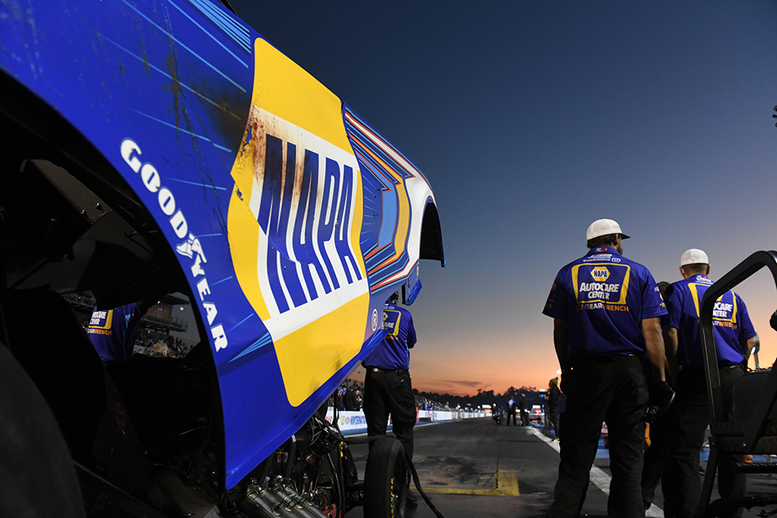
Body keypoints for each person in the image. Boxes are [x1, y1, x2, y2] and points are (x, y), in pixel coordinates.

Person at [542, 218, 668, 518]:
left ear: (590, 243)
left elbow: (560, 329)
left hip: (587, 372)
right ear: (615, 240)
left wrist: (567, 370)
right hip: (630, 371)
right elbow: (653, 331)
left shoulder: (567, 272)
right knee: (628, 461)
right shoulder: (639, 272)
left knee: (576, 458)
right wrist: (660, 379)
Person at [661, 249, 758, 518]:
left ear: (683, 270)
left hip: (697, 377)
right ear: (708, 268)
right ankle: (733, 512)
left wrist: (672, 372)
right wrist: (741, 366)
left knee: (685, 451)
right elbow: (749, 339)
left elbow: (670, 332)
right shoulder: (732, 294)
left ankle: (688, 513)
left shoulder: (678, 291)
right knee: (733, 450)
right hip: (733, 378)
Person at [362, 291, 418, 462]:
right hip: (397, 378)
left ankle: (376, 481)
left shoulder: (367, 314)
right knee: (404, 431)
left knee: (375, 433)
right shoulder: (404, 315)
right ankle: (402, 483)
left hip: (373, 378)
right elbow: (411, 342)